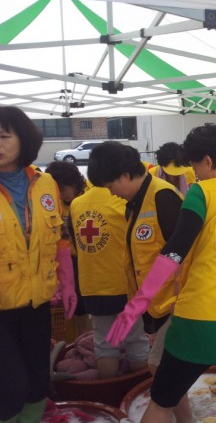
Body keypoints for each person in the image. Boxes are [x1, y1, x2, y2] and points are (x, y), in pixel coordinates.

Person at [106, 123, 216, 423]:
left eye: (195, 167)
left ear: (207, 160)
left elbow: (174, 251)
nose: (195, 175)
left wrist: (139, 302)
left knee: (162, 400)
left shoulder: (202, 193)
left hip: (200, 318)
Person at [87, 142, 192, 421]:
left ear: (125, 174)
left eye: (110, 185)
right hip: (156, 306)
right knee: (166, 369)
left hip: (176, 303)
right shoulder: (135, 203)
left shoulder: (163, 197)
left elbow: (185, 254)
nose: (111, 192)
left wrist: (174, 303)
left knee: (158, 367)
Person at [0, 106, 77, 423]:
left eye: (3, 137)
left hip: (37, 302)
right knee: (10, 387)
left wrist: (68, 284)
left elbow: (60, 238)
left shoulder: (46, 184)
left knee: (36, 382)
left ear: (24, 139)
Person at [69, 184, 149, 379]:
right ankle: (138, 389)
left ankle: (110, 389)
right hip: (124, 285)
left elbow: (75, 246)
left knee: (104, 343)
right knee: (136, 341)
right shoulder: (124, 201)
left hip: (92, 285)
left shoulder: (76, 204)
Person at [45, 160, 92, 335]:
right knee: (78, 305)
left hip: (90, 257)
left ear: (74, 183)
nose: (61, 195)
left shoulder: (91, 194)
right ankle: (82, 336)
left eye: (63, 190)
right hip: (69, 260)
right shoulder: (53, 203)